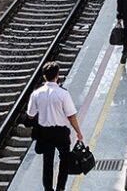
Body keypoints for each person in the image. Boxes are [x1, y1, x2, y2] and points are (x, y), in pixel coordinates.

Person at [26, 61, 84, 191]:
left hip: (45, 133)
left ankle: (48, 189)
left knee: (48, 162)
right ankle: (60, 188)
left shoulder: (36, 94)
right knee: (64, 159)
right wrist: (78, 132)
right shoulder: (63, 93)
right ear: (57, 75)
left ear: (44, 76)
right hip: (61, 133)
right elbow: (71, 115)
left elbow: (30, 115)